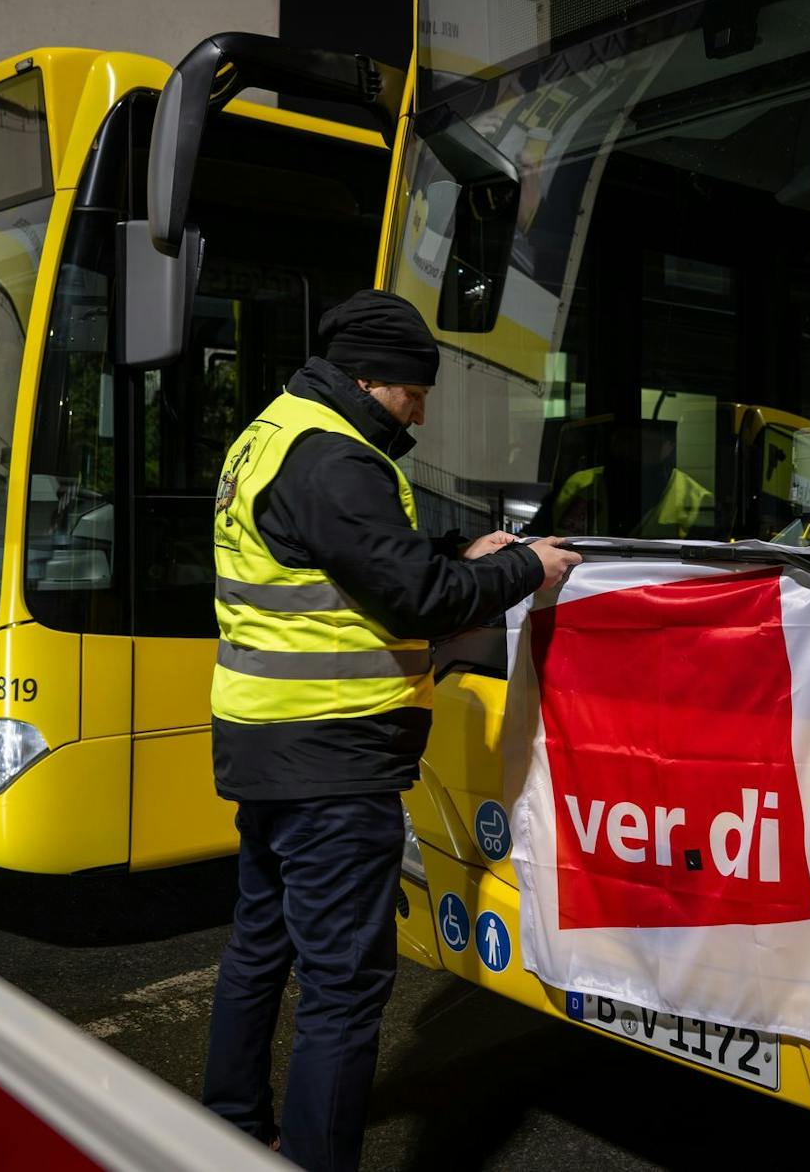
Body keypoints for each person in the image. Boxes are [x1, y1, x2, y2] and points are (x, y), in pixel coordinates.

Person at [201, 289, 579, 1171]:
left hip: (267, 742)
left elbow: (353, 562)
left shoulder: (272, 435)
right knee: (344, 986)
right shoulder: (336, 455)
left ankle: (227, 1127)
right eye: (417, 391)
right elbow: (416, 598)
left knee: (260, 945)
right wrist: (527, 567)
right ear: (374, 378)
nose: (421, 411)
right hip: (332, 759)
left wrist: (457, 551)